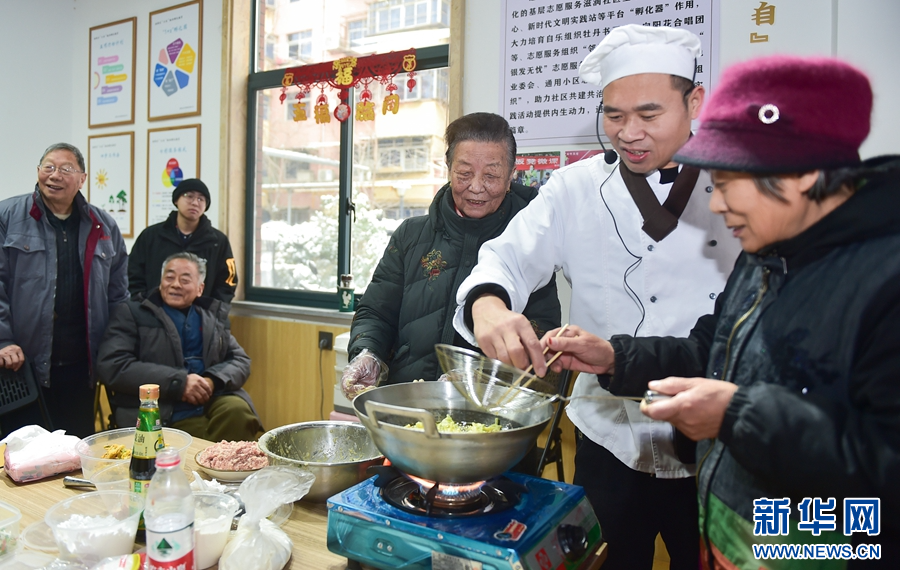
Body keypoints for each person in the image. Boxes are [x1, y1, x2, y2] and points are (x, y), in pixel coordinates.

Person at [541, 56, 900, 568]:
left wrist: (737, 416)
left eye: (729, 182)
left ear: (800, 175)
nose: (716, 203)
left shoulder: (884, 279)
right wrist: (613, 356)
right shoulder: (765, 258)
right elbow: (712, 348)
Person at [453, 26, 742, 570]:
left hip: (714, 447)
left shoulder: (737, 187)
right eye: (613, 115)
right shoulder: (573, 189)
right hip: (607, 438)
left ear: (694, 102)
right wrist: (489, 305)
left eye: (649, 114)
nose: (628, 133)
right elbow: (504, 259)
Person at [341, 112, 560, 398]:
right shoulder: (411, 235)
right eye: (464, 173)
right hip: (405, 405)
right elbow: (376, 312)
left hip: (487, 419)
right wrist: (368, 352)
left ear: (510, 176)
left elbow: (540, 336)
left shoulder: (528, 244)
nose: (477, 187)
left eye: (492, 175)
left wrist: (479, 377)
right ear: (448, 168)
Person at [0, 143, 129, 438]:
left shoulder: (103, 225)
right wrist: (3, 339)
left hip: (81, 367)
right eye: (48, 167)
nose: (55, 175)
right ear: (38, 171)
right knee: (23, 458)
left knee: (75, 452)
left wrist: (115, 351)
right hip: (21, 365)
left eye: (66, 169)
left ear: (82, 179)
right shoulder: (7, 216)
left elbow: (119, 296)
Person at [97, 252, 260, 441]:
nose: (175, 284)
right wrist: (179, 383)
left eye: (185, 280)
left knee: (238, 412)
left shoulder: (211, 318)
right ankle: (214, 464)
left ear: (200, 289)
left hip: (209, 399)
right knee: (213, 440)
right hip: (162, 407)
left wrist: (211, 381)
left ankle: (218, 464)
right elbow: (113, 365)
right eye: (169, 277)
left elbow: (240, 360)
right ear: (161, 282)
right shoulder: (133, 313)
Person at [128, 178, 238, 303]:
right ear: (176, 200)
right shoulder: (151, 236)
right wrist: (143, 303)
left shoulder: (217, 241)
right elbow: (133, 274)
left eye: (201, 199)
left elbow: (228, 281)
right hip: (153, 313)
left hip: (201, 316)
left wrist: (211, 311)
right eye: (189, 196)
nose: (195, 203)